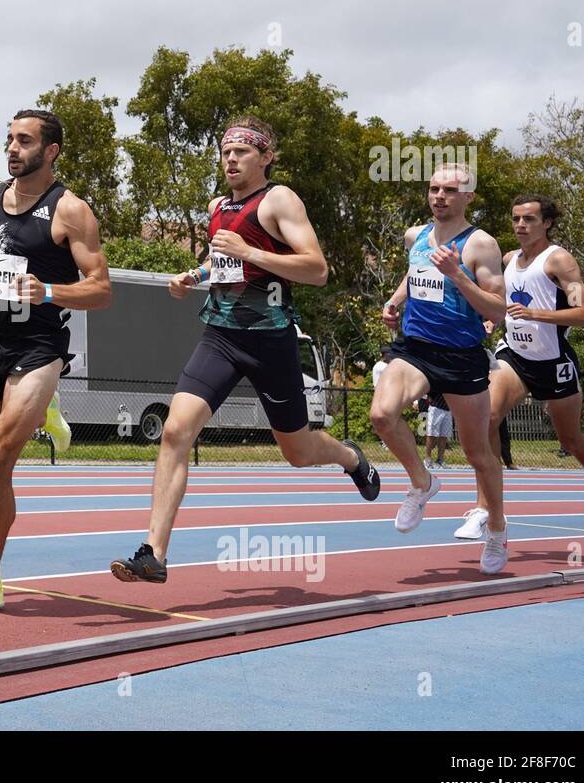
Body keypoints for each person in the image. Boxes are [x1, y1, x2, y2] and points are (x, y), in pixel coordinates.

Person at [110, 116, 380, 585]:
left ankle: (349, 458)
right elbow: (222, 259)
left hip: (271, 340)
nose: (230, 159)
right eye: (225, 151)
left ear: (265, 157)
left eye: (242, 152)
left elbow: (317, 269)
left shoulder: (279, 200)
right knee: (175, 431)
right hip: (220, 335)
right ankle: (153, 552)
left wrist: (251, 252)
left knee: (297, 452)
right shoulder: (218, 206)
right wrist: (193, 276)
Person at [0, 109, 111, 616]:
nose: (12, 148)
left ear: (50, 151)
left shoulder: (71, 211)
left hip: (39, 349)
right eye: (9, 138)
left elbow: (102, 290)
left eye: (24, 141)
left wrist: (49, 290)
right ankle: (45, 412)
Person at [455, 196, 584, 539]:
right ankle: (484, 508)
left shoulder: (558, 260)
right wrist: (491, 321)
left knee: (571, 439)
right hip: (513, 356)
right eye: (516, 218)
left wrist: (535, 315)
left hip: (553, 361)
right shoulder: (507, 260)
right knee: (486, 416)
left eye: (529, 219)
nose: (520, 225)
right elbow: (500, 305)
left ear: (546, 222)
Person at [373, 164, 508, 572]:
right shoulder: (416, 236)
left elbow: (497, 310)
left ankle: (498, 531)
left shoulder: (481, 245)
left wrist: (458, 275)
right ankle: (422, 482)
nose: (439, 196)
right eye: (433, 189)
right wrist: (395, 302)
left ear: (468, 197)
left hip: (460, 356)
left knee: (478, 454)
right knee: (381, 414)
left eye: (449, 190)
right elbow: (414, 274)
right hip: (415, 348)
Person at [425, 393, 452, 468]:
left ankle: (440, 460)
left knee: (444, 436)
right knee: (431, 435)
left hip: (448, 408)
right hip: (435, 408)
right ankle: (427, 460)